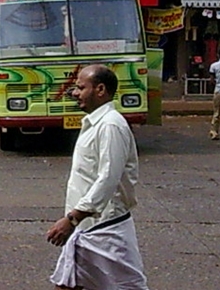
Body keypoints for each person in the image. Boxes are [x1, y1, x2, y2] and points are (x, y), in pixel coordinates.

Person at [46, 65, 148, 290]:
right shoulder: (97, 122)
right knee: (66, 284)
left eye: (81, 88)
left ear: (100, 89)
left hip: (106, 229)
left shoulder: (111, 125)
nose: (75, 93)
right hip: (87, 227)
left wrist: (72, 218)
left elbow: (108, 179)